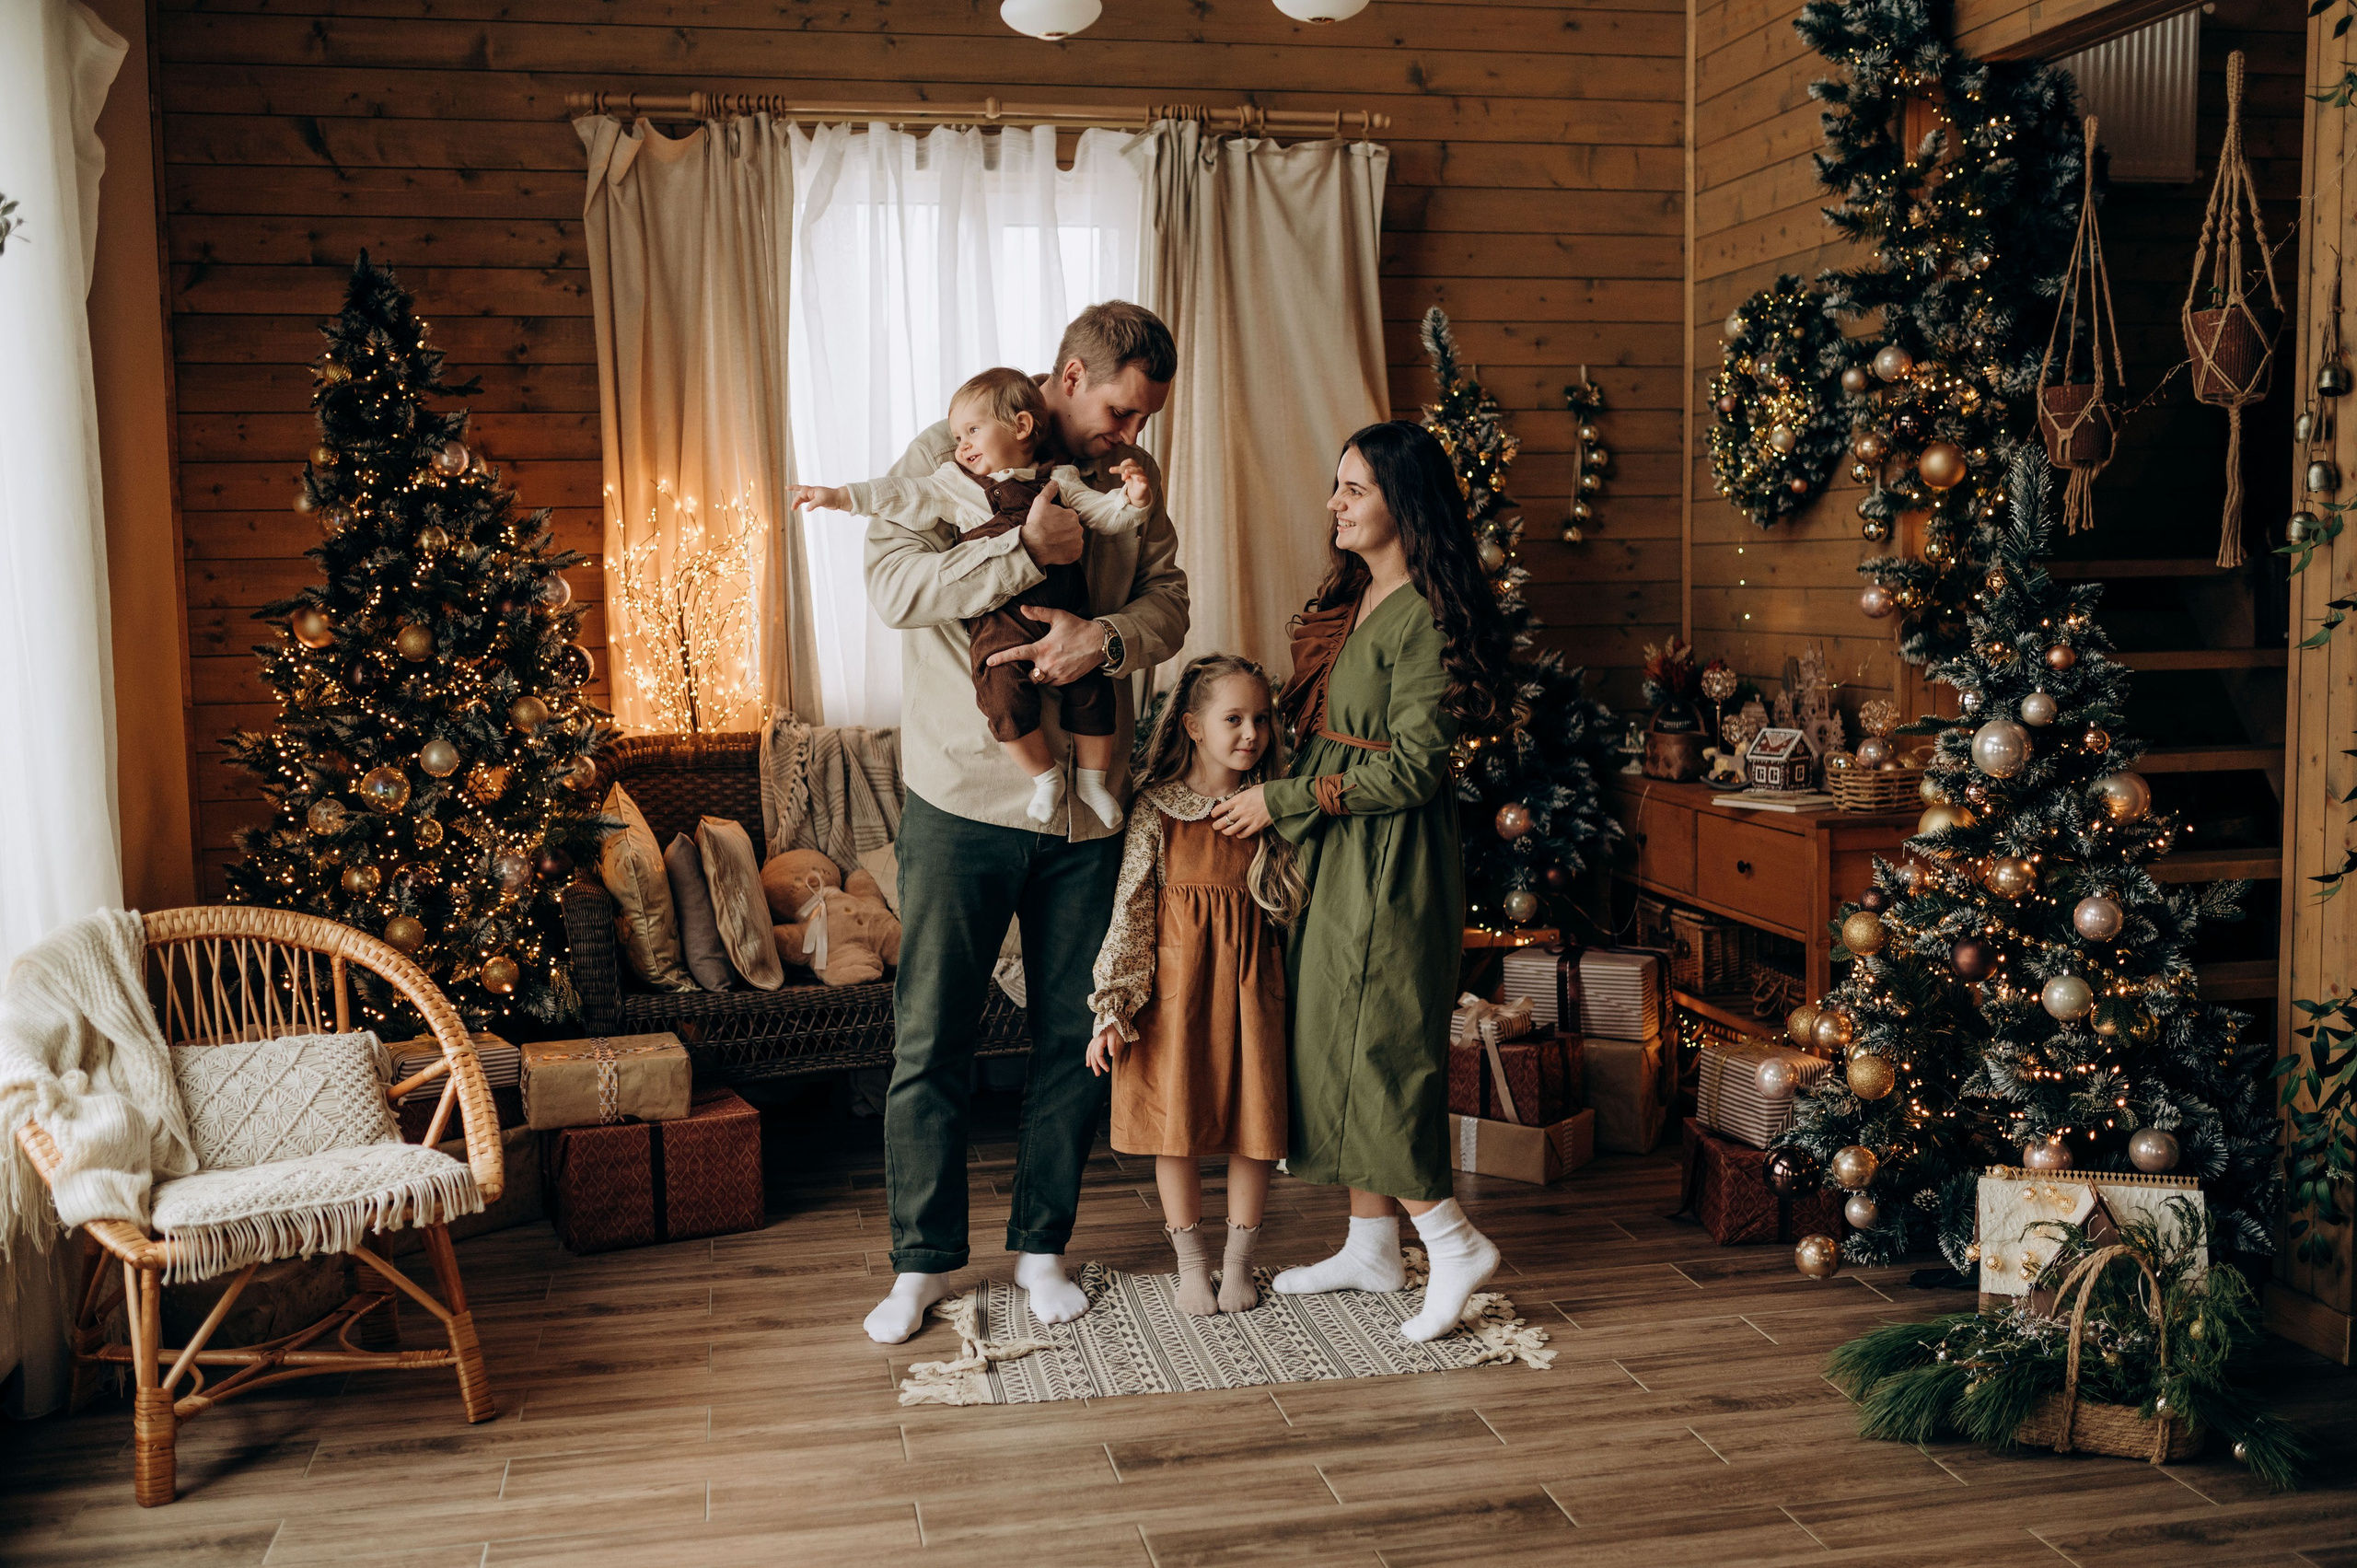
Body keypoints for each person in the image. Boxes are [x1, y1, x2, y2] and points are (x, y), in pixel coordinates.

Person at [858, 302, 1188, 1344]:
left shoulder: (1131, 482)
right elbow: (893, 584)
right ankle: (919, 1263)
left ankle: (1042, 1248)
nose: (1130, 435)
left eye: (1143, 421)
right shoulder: (947, 451)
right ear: (1067, 374)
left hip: (1088, 816)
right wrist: (1023, 552)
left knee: (1071, 1037)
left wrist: (1108, 637)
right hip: (960, 800)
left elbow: (1170, 602)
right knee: (930, 1039)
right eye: (1120, 411)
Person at [1207, 420, 1515, 1343]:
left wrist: (1284, 799)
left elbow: (1418, 771)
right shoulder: (1360, 595)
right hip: (1343, 852)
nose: (1335, 503)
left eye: (1355, 489)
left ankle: (1450, 1238)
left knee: (1379, 1048)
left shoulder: (1418, 614)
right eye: (1337, 485)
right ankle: (1371, 1240)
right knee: (1329, 1037)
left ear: (1403, 505)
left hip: (1392, 861)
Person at [795, 367, 1154, 829]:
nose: (962, 445)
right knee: (1003, 699)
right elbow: (901, 496)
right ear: (1073, 377)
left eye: (972, 432)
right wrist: (840, 496)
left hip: (1072, 616)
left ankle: (1092, 782)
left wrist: (1133, 501)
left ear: (1021, 427)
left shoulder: (1060, 479)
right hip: (998, 638)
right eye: (1122, 411)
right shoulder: (954, 480)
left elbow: (1106, 516)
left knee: (1094, 696)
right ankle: (1045, 778)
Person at [1085, 655, 1305, 1315]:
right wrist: (1113, 1008)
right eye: (1233, 718)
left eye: (1261, 719)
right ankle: (1192, 1266)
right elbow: (1131, 908)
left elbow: (1292, 909)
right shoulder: (1157, 807)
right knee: (1172, 1129)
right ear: (1193, 726)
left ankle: (1240, 1265)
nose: (1251, 734)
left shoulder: (1270, 808)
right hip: (1174, 998)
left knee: (1253, 1126)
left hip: (1251, 995)